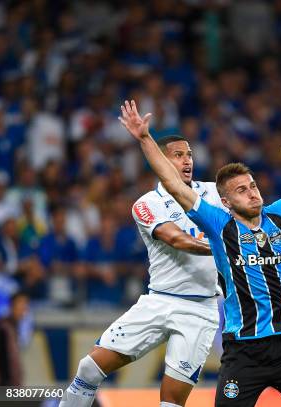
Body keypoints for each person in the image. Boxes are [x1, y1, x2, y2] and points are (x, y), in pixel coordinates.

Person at [120, 99, 281, 407]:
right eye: (242, 190)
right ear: (225, 201)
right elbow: (173, 184)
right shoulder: (217, 224)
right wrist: (145, 138)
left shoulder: (280, 213)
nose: (253, 193)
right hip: (244, 352)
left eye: (253, 186)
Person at [61, 135, 226, 407]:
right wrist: (224, 245)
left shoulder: (214, 194)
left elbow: (250, 213)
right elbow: (177, 239)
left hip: (201, 309)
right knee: (89, 368)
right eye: (178, 155)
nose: (187, 160)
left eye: (190, 154)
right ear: (159, 161)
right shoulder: (147, 203)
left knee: (171, 401)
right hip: (159, 301)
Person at [0, 291, 29, 386]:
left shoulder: (14, 327)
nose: (23, 308)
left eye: (25, 304)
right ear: (12, 305)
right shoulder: (3, 327)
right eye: (20, 304)